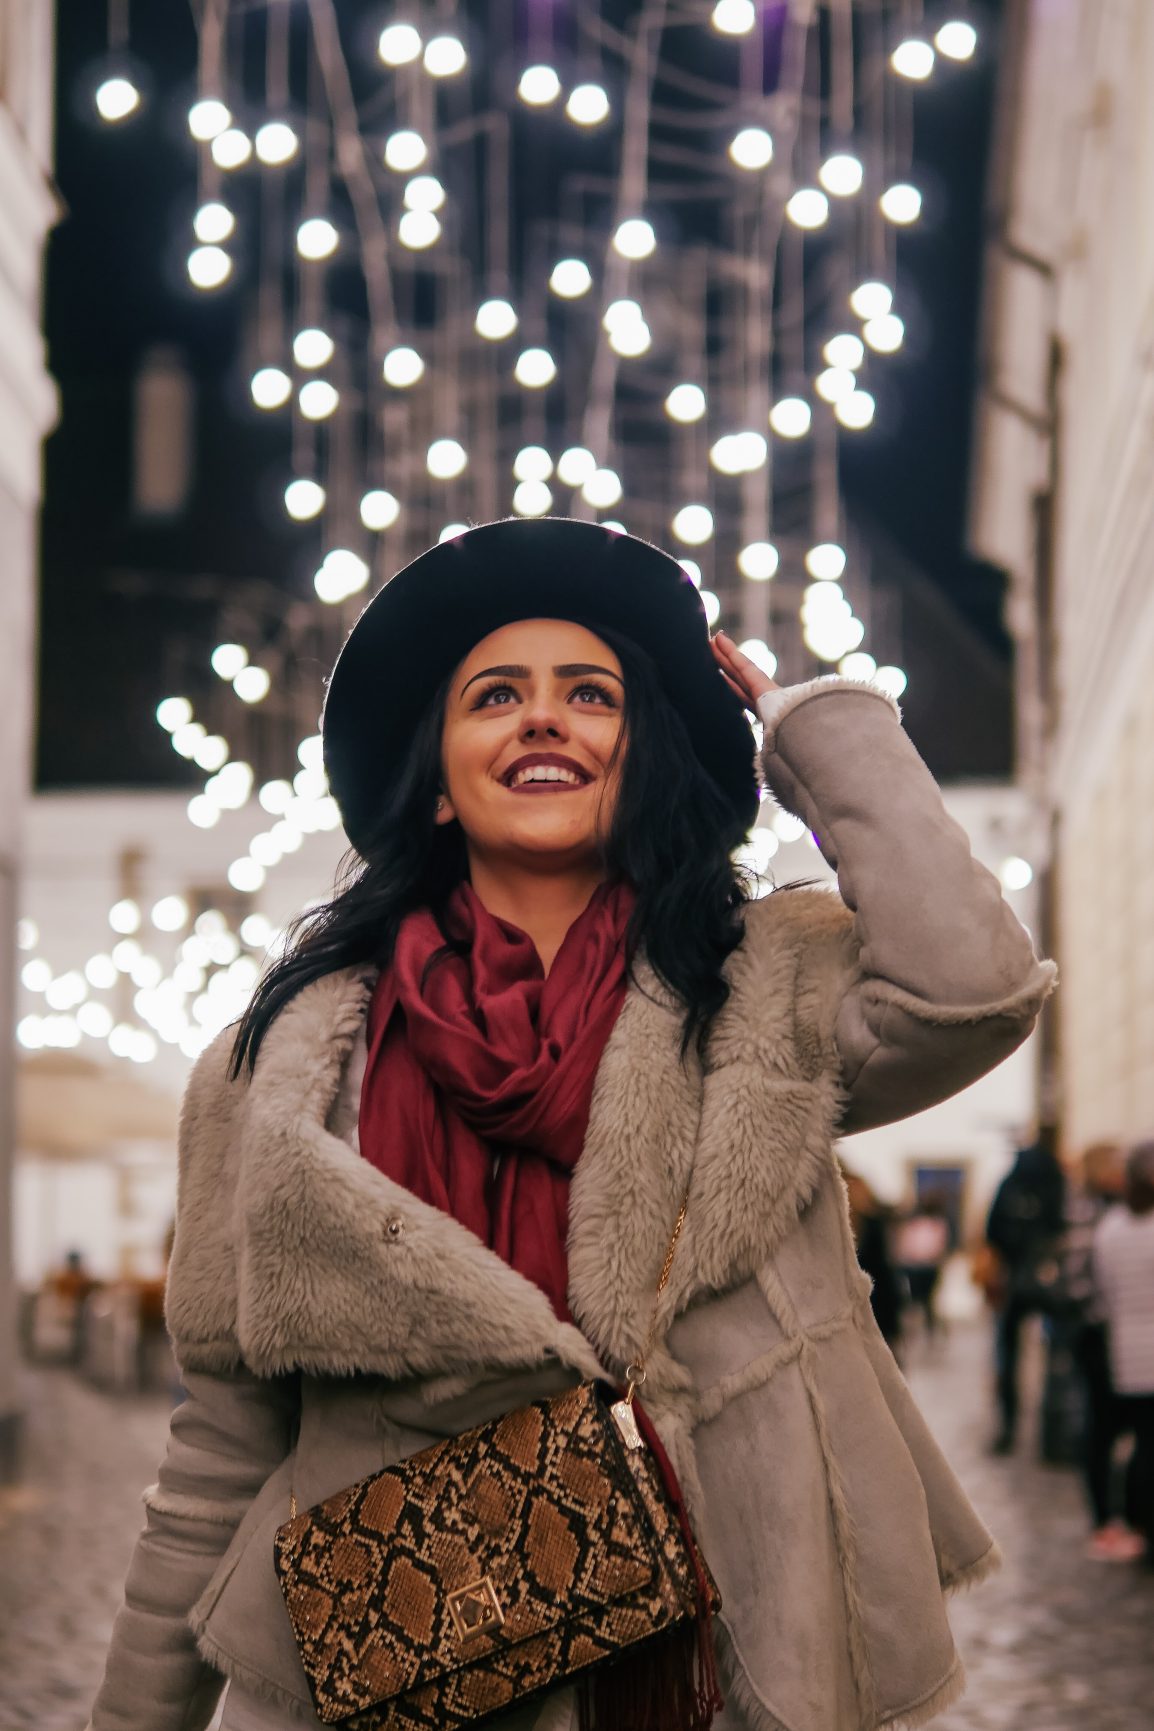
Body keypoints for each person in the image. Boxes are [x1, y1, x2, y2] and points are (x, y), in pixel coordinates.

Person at [86, 519, 1057, 1731]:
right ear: (435, 779)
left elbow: (968, 990)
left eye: (588, 695)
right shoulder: (276, 1068)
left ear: (636, 753)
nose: (543, 719)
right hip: (406, 1678)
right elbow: (220, 1448)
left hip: (738, 1671)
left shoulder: (765, 988)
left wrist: (821, 738)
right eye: (496, 695)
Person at [1060, 1142, 1142, 1559]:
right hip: (1099, 1337)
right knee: (1102, 1429)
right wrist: (1108, 1315)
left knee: (1121, 1430)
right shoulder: (1092, 1211)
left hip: (1118, 1334)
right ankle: (1106, 1522)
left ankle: (1124, 1518)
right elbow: (1080, 1281)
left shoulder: (1118, 1211)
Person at [1092, 1139, 1154, 1563]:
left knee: (1134, 1447)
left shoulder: (1110, 1227)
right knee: (1150, 1450)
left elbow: (1105, 1292)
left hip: (1124, 1353)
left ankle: (1132, 1523)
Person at [985, 1137, 1067, 1454]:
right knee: (1057, 1355)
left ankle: (1008, 1428)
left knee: (1007, 1355)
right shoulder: (1055, 1181)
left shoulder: (1009, 1183)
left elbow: (991, 1231)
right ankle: (1053, 1435)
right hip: (1049, 1281)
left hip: (1012, 1280)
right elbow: (1062, 1227)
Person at [840, 1164, 905, 1353]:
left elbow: (882, 1270)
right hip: (866, 1305)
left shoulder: (871, 1222)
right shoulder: (869, 1221)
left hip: (875, 1303)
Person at [895, 1196, 952, 1342]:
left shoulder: (935, 1225)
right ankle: (918, 1333)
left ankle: (931, 1333)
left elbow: (938, 1248)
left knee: (927, 1303)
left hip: (928, 1268)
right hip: (917, 1268)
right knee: (917, 1302)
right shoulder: (917, 1225)